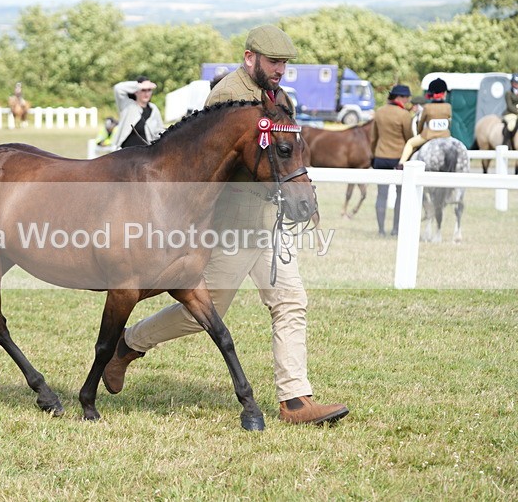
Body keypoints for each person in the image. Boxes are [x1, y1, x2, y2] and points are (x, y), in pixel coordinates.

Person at [102, 25, 349, 426]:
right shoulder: (227, 96)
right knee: (200, 313)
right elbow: (213, 163)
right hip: (232, 222)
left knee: (290, 301)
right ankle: (128, 345)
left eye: (284, 63)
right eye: (274, 62)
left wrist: (297, 189)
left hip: (269, 221)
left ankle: (295, 400)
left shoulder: (279, 98)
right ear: (250, 58)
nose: (280, 70)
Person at [369, 84, 413, 237]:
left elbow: (373, 137)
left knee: (381, 194)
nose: (407, 101)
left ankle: (381, 230)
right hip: (399, 159)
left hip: (380, 157)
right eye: (406, 97)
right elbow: (409, 138)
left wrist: (373, 155)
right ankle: (395, 229)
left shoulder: (379, 112)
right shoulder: (404, 115)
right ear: (399, 97)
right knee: (400, 194)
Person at [398, 78, 452, 166]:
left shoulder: (427, 107)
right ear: (444, 93)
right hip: (445, 135)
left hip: (428, 135)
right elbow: (449, 123)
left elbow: (421, 123)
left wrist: (420, 132)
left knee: (410, 143)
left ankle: (401, 164)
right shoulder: (448, 107)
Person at [112, 76, 166, 149]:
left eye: (149, 90)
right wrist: (139, 85)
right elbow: (117, 88)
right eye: (143, 90)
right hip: (125, 153)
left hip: (146, 154)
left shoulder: (154, 109)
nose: (146, 93)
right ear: (136, 92)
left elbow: (160, 131)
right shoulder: (127, 105)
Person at [502, 73, 518, 147]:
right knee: (511, 125)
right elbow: (510, 106)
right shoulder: (508, 93)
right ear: (512, 83)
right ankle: (506, 143)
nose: (516, 85)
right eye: (515, 83)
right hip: (510, 113)